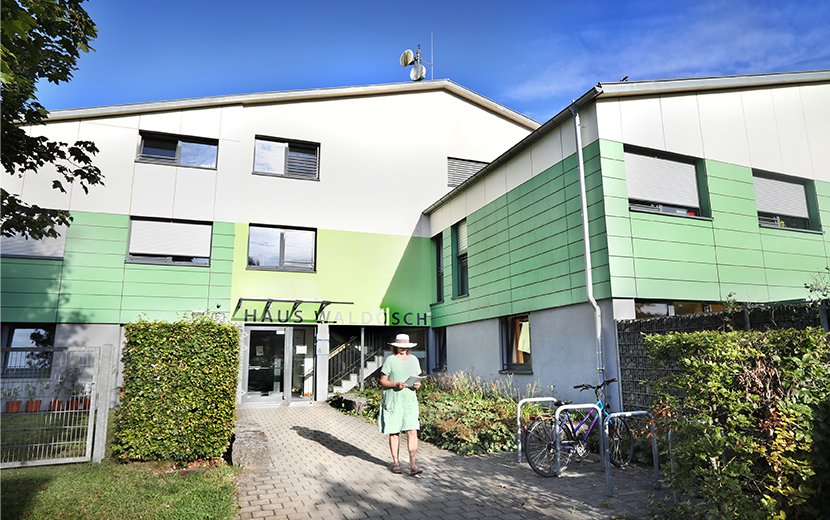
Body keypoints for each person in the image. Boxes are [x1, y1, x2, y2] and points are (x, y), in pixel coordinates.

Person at [378, 333, 423, 476]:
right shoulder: (390, 360)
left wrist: (418, 384)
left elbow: (418, 379)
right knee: (394, 432)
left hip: (409, 401)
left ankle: (413, 465)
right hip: (394, 400)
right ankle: (396, 463)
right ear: (395, 347)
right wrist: (395, 384)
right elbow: (383, 381)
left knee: (412, 431)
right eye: (400, 346)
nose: (403, 348)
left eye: (405, 346)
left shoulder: (414, 360)